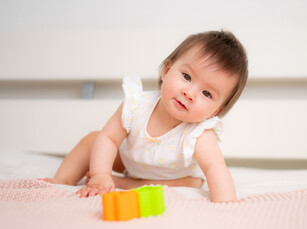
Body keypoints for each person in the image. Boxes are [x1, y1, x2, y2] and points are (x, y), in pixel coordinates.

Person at [44, 30, 248, 202]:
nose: (190, 93)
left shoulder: (199, 134)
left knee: (188, 184)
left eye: (207, 93)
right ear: (167, 70)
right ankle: (61, 183)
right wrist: (100, 174)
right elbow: (108, 138)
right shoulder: (136, 106)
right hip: (130, 163)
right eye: (186, 77)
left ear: (216, 111)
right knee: (94, 139)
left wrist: (226, 206)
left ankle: (122, 183)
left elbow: (215, 168)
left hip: (174, 177)